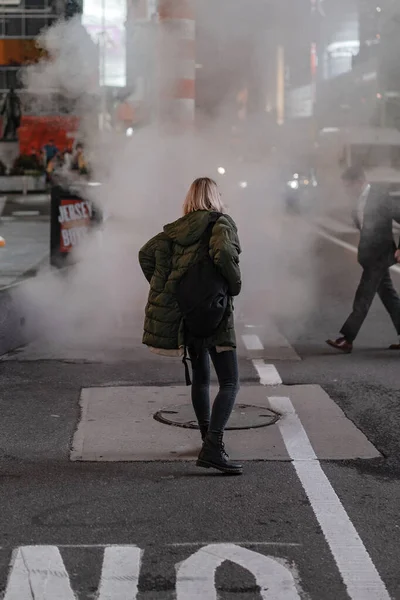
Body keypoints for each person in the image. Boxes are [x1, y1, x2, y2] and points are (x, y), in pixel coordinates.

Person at [139, 177, 243, 475]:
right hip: (215, 312)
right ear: (214, 197)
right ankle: (213, 445)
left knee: (200, 379)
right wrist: (234, 284)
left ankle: (207, 441)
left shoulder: (176, 230)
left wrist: (168, 290)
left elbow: (145, 255)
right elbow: (223, 253)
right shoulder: (220, 223)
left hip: (189, 315)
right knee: (230, 381)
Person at [327, 165, 400, 353]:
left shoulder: (380, 197)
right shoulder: (357, 200)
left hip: (380, 256)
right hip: (369, 256)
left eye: (348, 186)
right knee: (389, 297)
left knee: (363, 296)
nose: (346, 190)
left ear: (359, 182)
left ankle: (347, 339)